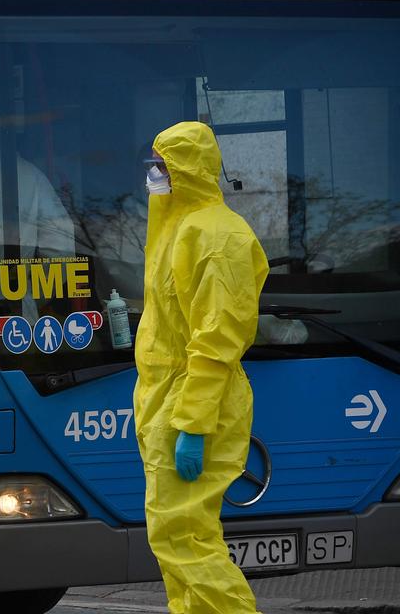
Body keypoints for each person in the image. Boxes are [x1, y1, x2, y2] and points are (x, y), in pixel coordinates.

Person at [134, 121, 268, 614]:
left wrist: (192, 422)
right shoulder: (178, 227)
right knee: (175, 540)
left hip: (196, 405)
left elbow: (218, 340)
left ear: (186, 169)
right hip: (169, 401)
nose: (154, 174)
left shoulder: (218, 237)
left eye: (162, 165)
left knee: (184, 537)